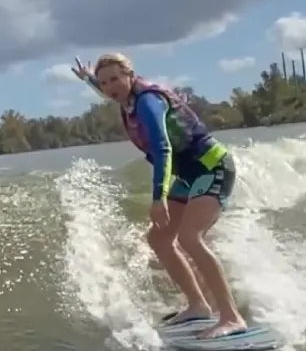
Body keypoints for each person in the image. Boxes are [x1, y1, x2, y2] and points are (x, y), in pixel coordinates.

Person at [70, 53, 246, 339]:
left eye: (115, 79)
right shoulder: (126, 98)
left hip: (212, 166)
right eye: (104, 83)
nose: (110, 87)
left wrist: (158, 197)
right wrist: (88, 78)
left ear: (130, 75)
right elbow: (109, 90)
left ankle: (232, 316)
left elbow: (163, 148)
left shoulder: (148, 102)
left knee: (190, 237)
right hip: (189, 175)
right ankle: (198, 305)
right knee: (159, 239)